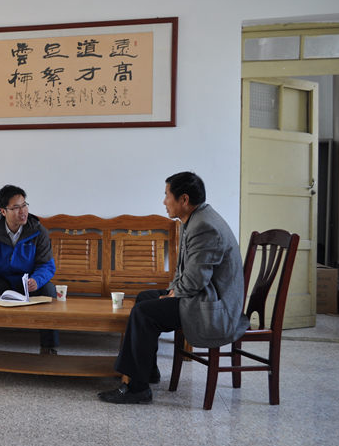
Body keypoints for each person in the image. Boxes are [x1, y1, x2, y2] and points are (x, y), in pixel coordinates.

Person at [98, 172, 250, 404]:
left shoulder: (204, 226)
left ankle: (137, 389)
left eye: (167, 195)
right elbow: (184, 271)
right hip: (202, 296)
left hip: (213, 309)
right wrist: (172, 291)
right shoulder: (195, 220)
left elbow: (196, 279)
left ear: (184, 199)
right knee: (145, 298)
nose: (164, 201)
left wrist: (174, 294)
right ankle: (147, 371)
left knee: (144, 313)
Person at [0, 185, 59, 357]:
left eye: (24, 205)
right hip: (4, 281)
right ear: (3, 211)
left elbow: (46, 265)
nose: (23, 211)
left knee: (49, 291)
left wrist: (37, 280)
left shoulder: (38, 231)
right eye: (16, 208)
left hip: (30, 282)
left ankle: (48, 348)